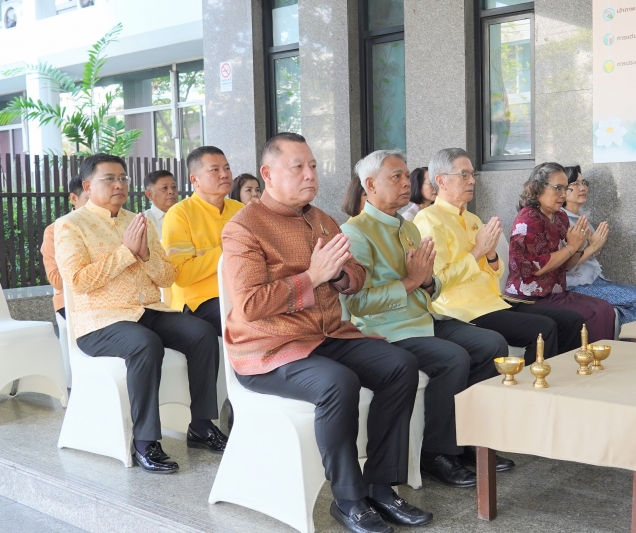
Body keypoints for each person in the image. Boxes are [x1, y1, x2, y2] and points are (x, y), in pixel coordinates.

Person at [222, 133, 433, 533]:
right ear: (268, 173)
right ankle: (348, 499)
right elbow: (249, 305)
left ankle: (381, 486)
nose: (310, 175)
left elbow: (356, 277)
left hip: (326, 335)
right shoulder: (244, 227)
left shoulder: (322, 219)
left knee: (400, 364)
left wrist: (338, 274)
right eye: (297, 166)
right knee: (338, 383)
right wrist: (312, 276)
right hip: (269, 349)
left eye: (314, 166)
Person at [343, 150, 514, 489]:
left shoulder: (408, 228)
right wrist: (410, 282)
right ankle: (437, 454)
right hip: (387, 329)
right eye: (396, 177)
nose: (407, 182)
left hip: (424, 316)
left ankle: (469, 441)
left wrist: (425, 282)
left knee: (491, 343)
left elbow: (430, 290)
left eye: (407, 175)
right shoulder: (355, 233)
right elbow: (359, 305)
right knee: (452, 358)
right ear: (371, 184)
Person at [54, 154, 225, 474]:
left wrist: (144, 255)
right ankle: (145, 442)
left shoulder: (138, 222)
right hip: (99, 319)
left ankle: (201, 425)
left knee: (201, 332)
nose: (119, 184)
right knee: (145, 343)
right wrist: (126, 254)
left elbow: (167, 277)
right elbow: (78, 281)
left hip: (148, 309)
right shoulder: (70, 225)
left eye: (123, 178)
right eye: (110, 179)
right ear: (88, 186)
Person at [414, 148, 582, 363]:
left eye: (472, 175)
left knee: (571, 320)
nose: (472, 181)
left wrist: (491, 255)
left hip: (494, 302)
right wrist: (478, 251)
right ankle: (536, 388)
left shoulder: (473, 219)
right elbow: (438, 284)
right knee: (544, 328)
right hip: (461, 309)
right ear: (441, 180)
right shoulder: (428, 221)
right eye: (463, 175)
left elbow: (496, 273)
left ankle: (564, 384)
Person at [505, 162, 616, 343]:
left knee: (604, 309)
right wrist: (571, 247)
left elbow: (565, 266)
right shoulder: (528, 219)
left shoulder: (560, 217)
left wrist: (579, 246)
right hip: (529, 298)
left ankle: (596, 361)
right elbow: (537, 269)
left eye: (565, 189)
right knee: (588, 315)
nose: (563, 195)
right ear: (538, 188)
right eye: (558, 188)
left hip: (555, 293)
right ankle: (579, 363)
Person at [562, 165, 636, 325]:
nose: (583, 188)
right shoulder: (562, 222)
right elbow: (565, 266)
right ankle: (627, 346)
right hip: (576, 286)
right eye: (575, 183)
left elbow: (592, 253)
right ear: (561, 189)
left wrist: (597, 245)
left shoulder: (582, 219)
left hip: (595, 280)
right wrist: (593, 247)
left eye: (584, 183)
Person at [161, 146, 244, 337]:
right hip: (198, 303)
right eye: (215, 170)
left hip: (241, 295)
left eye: (227, 168)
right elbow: (181, 275)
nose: (224, 174)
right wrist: (226, 249)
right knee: (249, 320)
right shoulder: (180, 213)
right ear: (194, 179)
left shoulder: (240, 209)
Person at [42, 176, 89, 319]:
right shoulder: (54, 231)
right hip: (71, 301)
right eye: (89, 200)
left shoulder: (111, 226)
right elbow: (56, 280)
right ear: (74, 198)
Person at [143, 170, 178, 239]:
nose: (171, 191)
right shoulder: (144, 221)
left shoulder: (185, 215)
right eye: (164, 188)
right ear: (150, 194)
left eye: (174, 187)